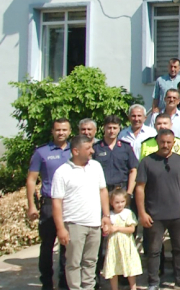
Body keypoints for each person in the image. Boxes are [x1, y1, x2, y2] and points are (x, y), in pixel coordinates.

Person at [135, 129, 180, 290]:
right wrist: (142, 212)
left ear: (173, 143)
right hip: (154, 215)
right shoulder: (147, 162)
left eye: (169, 142)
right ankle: (153, 281)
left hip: (177, 214)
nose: (165, 145)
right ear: (157, 142)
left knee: (179, 248)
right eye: (162, 142)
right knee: (154, 250)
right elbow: (140, 188)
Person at [51, 135, 111, 290]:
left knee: (91, 261)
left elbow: (103, 191)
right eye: (88, 148)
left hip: (94, 223)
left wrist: (106, 216)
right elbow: (57, 202)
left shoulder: (96, 166)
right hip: (74, 224)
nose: (92, 151)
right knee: (73, 263)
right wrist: (60, 228)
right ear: (76, 151)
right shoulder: (62, 172)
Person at [92, 116, 138, 285]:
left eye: (115, 128)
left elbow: (133, 170)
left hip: (121, 194)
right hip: (102, 194)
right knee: (100, 236)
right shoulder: (96, 148)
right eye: (109, 127)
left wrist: (129, 193)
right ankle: (97, 278)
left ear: (119, 129)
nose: (111, 131)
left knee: (124, 235)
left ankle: (125, 277)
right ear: (104, 128)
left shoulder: (125, 147)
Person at [27, 118, 72, 290]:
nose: (61, 133)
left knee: (67, 246)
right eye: (58, 130)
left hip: (69, 204)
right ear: (52, 131)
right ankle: (46, 282)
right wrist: (31, 205)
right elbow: (31, 180)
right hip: (49, 204)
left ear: (69, 131)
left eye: (64, 130)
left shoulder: (74, 150)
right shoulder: (42, 152)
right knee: (47, 245)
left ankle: (64, 283)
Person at [101, 189, 141, 290]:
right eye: (117, 202)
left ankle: (133, 287)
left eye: (122, 202)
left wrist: (118, 228)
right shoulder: (109, 215)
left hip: (126, 244)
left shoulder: (128, 213)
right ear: (112, 203)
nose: (120, 204)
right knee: (113, 267)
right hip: (113, 245)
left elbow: (131, 229)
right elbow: (106, 230)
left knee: (129, 267)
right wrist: (106, 229)